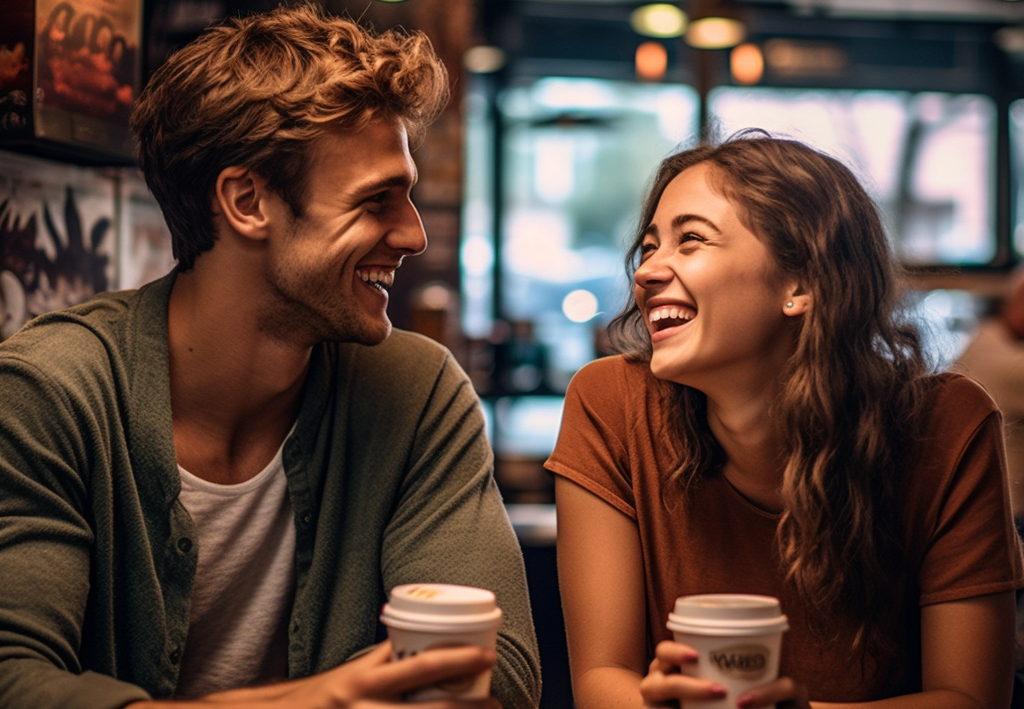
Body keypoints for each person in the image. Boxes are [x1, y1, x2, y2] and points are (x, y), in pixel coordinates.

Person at [0, 5, 540, 708]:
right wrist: (322, 699)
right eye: (377, 200)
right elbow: (14, 679)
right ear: (247, 200)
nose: (414, 236)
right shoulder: (51, 392)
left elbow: (494, 677)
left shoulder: (419, 392)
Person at [545, 132, 1024, 708]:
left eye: (690, 240)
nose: (647, 272)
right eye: (650, 247)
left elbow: (972, 699)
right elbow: (600, 679)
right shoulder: (611, 404)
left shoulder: (945, 426)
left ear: (800, 284)